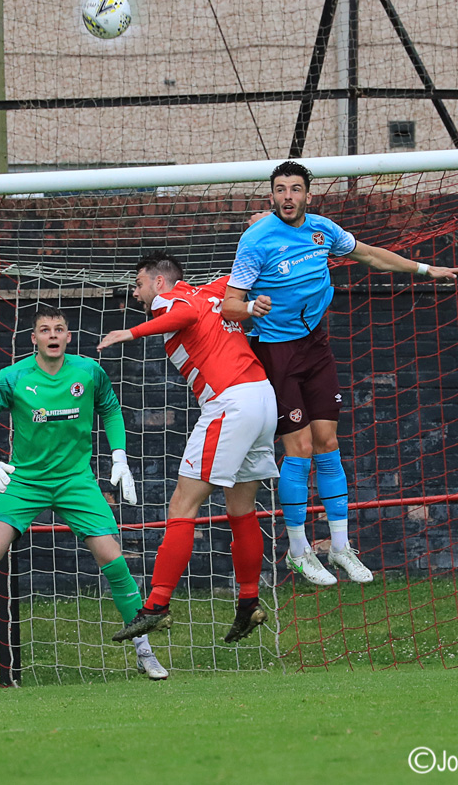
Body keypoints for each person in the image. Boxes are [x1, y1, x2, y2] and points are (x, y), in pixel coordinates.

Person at [222, 160, 458, 586]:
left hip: (316, 346)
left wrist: (426, 270)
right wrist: (250, 307)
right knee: (299, 449)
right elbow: (229, 305)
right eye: (280, 189)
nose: (287, 197)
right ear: (271, 195)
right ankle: (298, 551)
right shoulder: (256, 239)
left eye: (295, 189)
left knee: (328, 444)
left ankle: (340, 547)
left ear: (308, 194)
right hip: (276, 352)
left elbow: (369, 255)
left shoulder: (323, 230)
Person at [0, 304, 168, 680]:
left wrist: (119, 457)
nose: (52, 334)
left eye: (58, 329)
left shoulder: (89, 371)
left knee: (114, 561)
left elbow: (110, 410)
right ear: (34, 338)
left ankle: (144, 651)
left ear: (68, 337)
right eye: (44, 329)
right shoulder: (13, 376)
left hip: (75, 481)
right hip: (25, 481)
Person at [99, 252, 279, 645]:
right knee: (241, 508)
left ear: (159, 282)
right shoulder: (214, 290)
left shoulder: (169, 301)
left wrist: (130, 333)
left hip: (230, 403)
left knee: (182, 504)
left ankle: (156, 606)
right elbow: (252, 274)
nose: (136, 293)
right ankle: (248, 602)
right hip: (263, 398)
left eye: (139, 284)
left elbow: (185, 316)